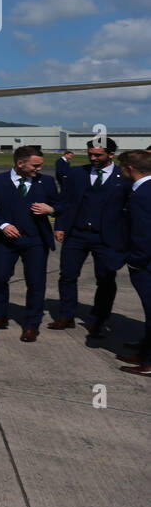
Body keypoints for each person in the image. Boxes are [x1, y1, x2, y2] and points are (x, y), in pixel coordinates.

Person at [49, 136, 129, 336]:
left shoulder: (124, 176)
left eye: (98, 155)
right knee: (67, 276)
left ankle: (98, 320)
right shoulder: (77, 173)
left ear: (111, 154)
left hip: (106, 238)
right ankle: (66, 315)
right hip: (77, 234)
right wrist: (59, 226)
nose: (93, 158)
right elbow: (65, 202)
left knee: (105, 280)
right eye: (90, 154)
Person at [0, 145, 59, 341]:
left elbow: (62, 204)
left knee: (36, 283)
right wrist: (2, 224)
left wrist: (51, 209)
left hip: (36, 241)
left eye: (40, 166)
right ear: (20, 163)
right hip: (6, 241)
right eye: (35, 165)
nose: (39, 169)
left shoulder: (47, 182)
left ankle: (31, 324)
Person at [115, 150, 151, 375]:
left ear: (129, 168)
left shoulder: (141, 195)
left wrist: (135, 262)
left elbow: (145, 235)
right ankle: (144, 352)